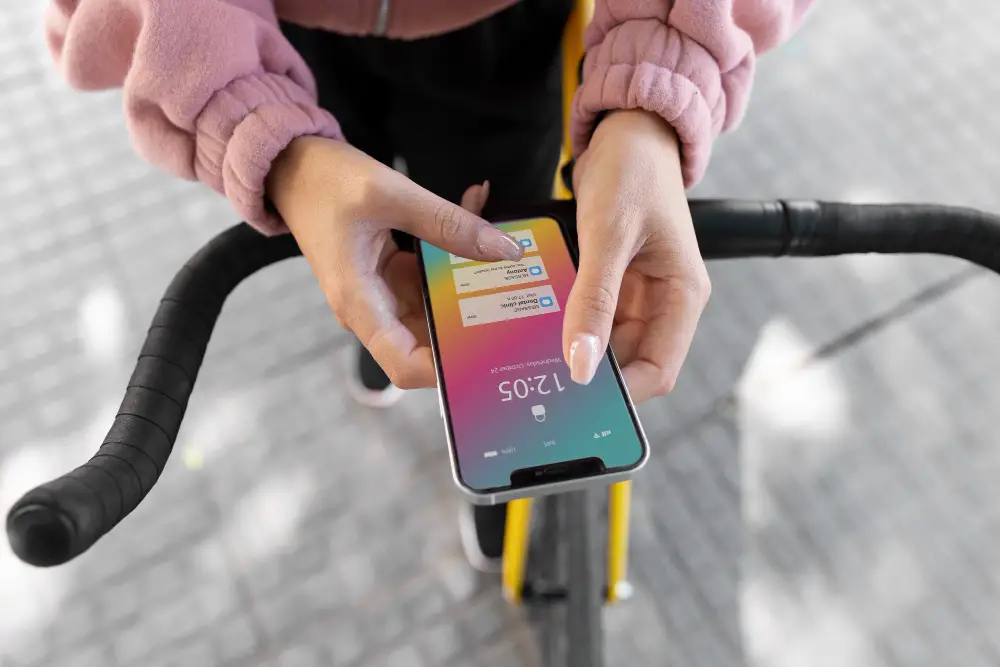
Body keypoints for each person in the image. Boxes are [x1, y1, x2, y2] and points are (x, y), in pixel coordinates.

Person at [45, 0, 813, 571]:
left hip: (504, 35)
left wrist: (660, 81)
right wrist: (251, 124)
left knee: (493, 262)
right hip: (273, 29)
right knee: (366, 248)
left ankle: (495, 473)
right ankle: (388, 358)